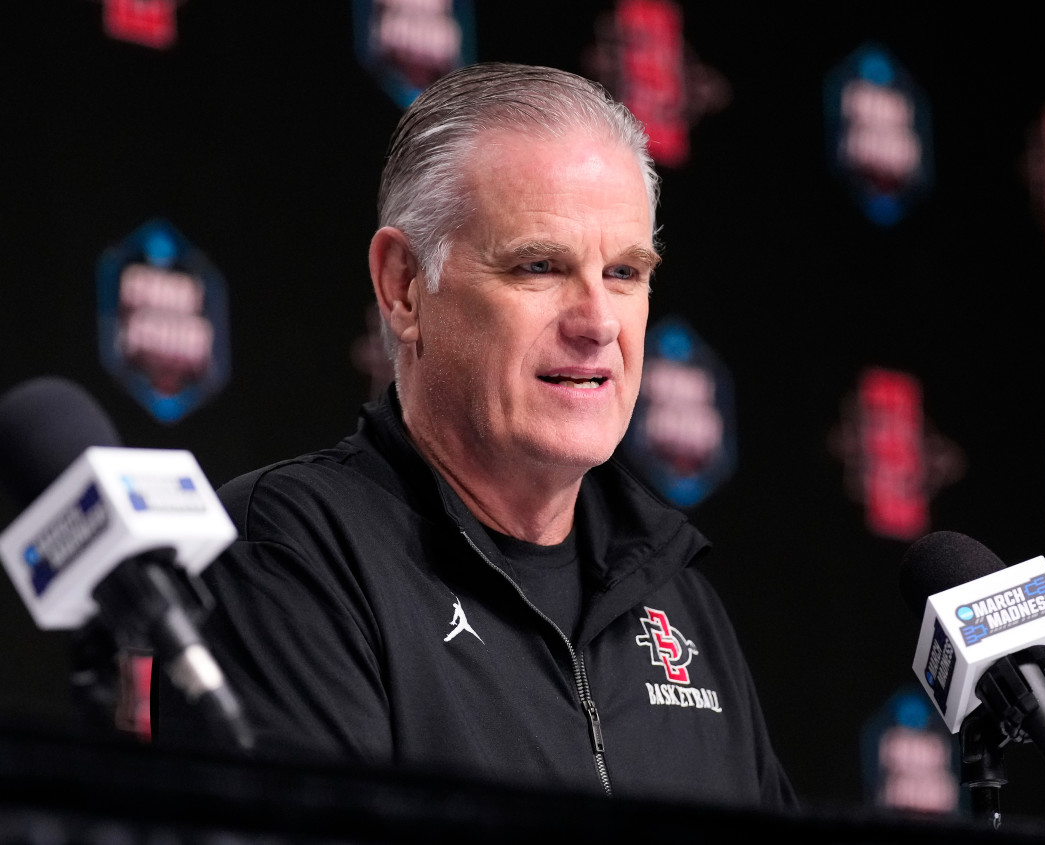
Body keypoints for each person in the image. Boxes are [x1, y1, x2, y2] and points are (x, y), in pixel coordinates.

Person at [154, 62, 798, 813]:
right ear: (402, 286)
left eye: (624, 271)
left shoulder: (679, 599)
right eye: (540, 266)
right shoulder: (291, 555)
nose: (597, 323)